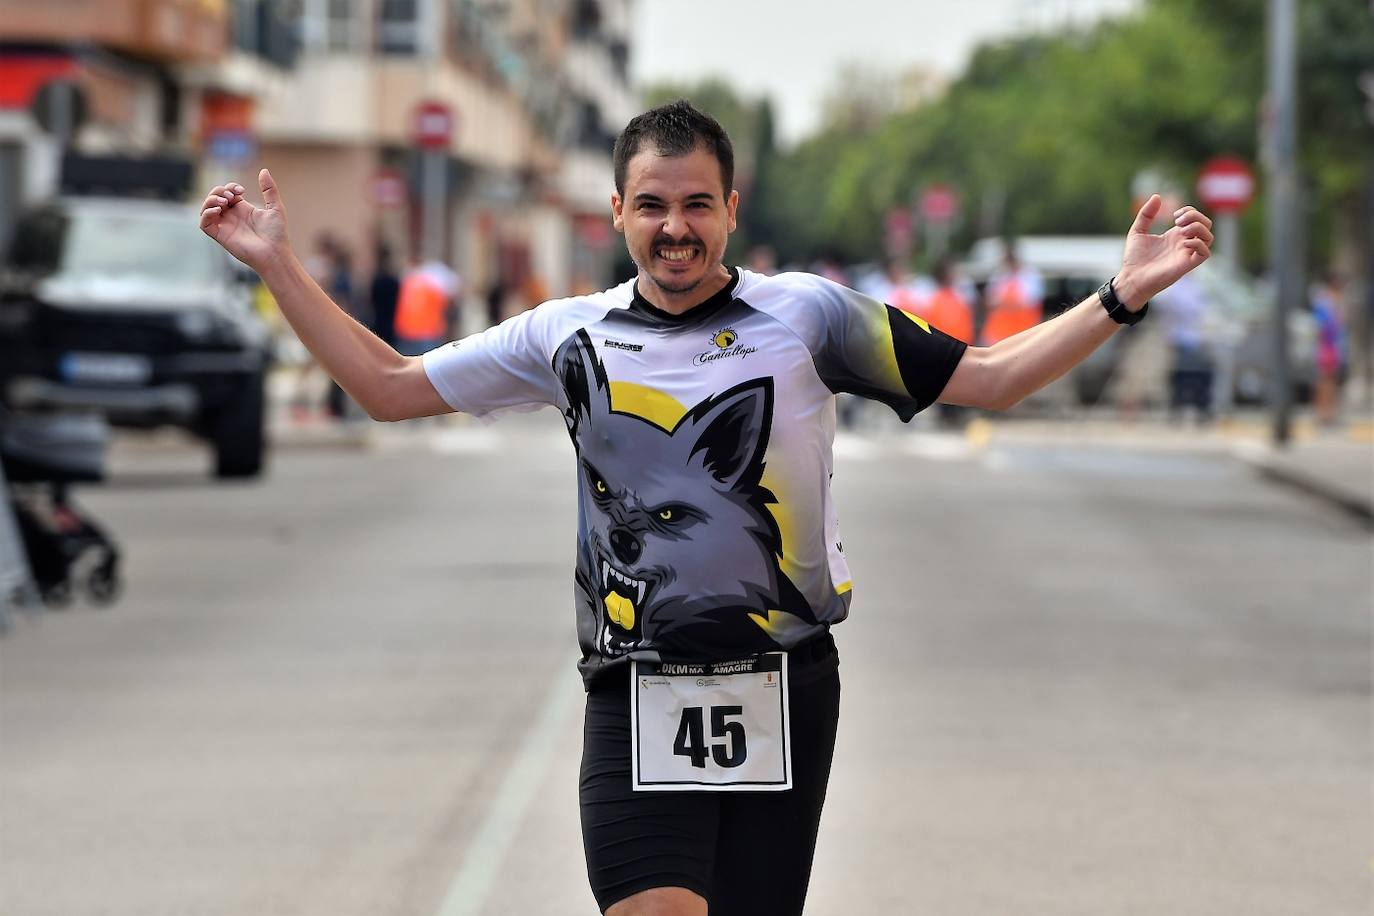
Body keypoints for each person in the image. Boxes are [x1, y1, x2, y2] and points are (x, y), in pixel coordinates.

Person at [197, 99, 1213, 916]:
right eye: (651, 205)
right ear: (617, 212)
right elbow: (390, 384)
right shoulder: (568, 335)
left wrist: (1121, 296)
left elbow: (987, 376)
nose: (673, 227)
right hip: (633, 685)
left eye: (695, 204)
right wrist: (279, 263)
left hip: (785, 678)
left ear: (732, 207)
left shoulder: (808, 316)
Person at [369, 244, 401, 348]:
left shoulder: (377, 279)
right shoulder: (393, 279)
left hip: (379, 319)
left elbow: (371, 300)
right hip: (391, 320)